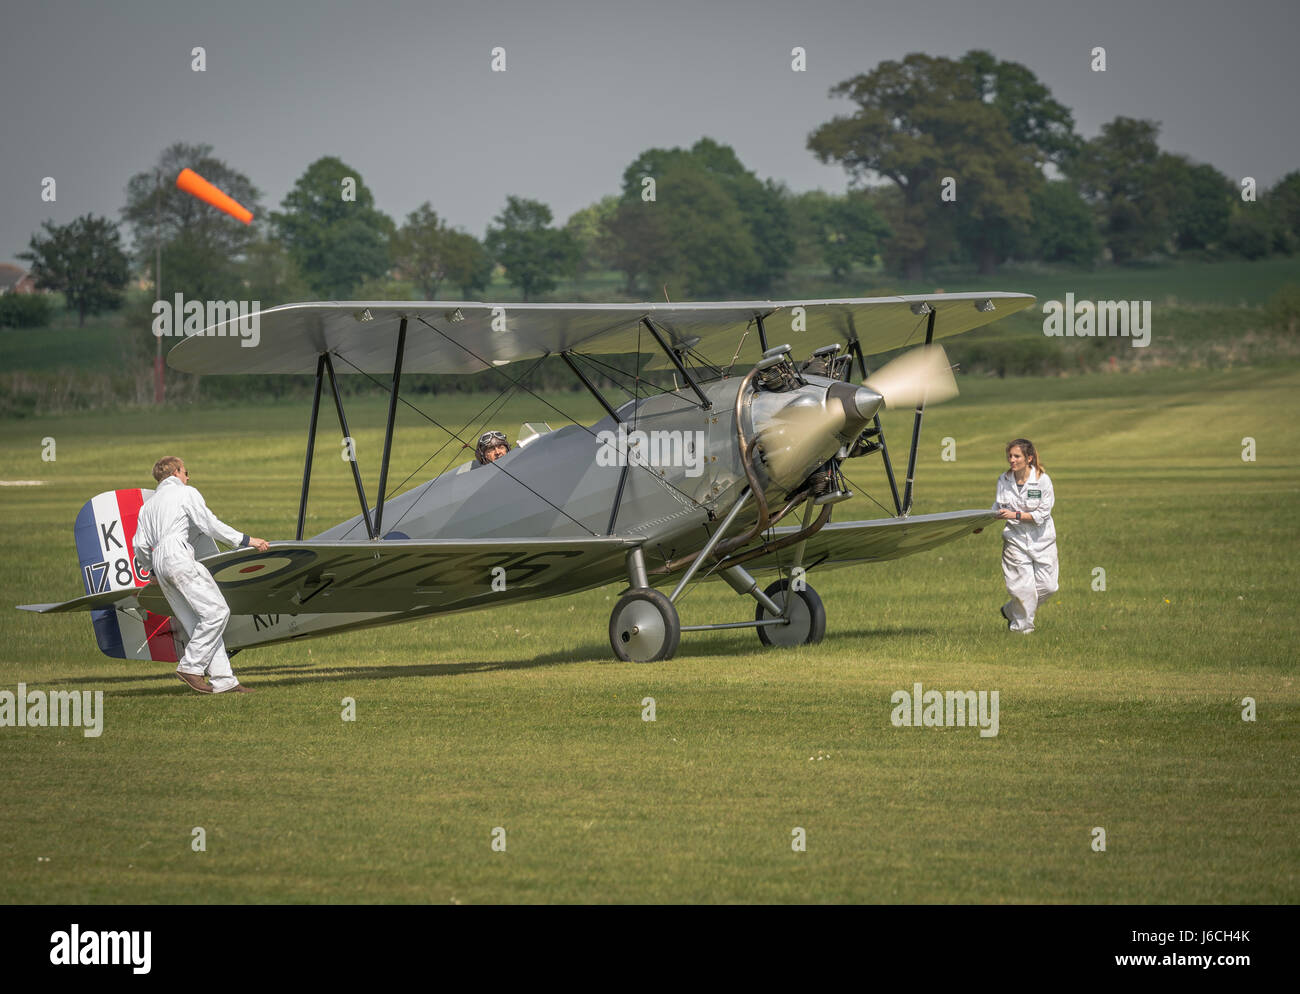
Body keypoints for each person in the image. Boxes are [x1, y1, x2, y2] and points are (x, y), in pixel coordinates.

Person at [133, 457, 269, 694]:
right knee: (218, 612)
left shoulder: (148, 507)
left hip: (160, 561)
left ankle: (224, 680)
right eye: (186, 472)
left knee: (200, 623)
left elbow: (140, 546)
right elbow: (210, 525)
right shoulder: (186, 493)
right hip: (178, 554)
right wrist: (247, 541)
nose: (188, 477)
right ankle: (190, 666)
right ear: (176, 472)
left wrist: (153, 570)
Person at [992, 438, 1058, 634]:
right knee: (1023, 589)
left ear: (1028, 458)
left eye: (1016, 456)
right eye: (1010, 456)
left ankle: (1011, 610)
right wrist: (981, 523)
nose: (1012, 460)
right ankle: (1021, 631)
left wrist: (1016, 515)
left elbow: (1041, 515)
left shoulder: (1042, 481)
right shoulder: (1003, 480)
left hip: (1042, 541)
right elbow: (998, 506)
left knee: (1049, 586)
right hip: (1015, 540)